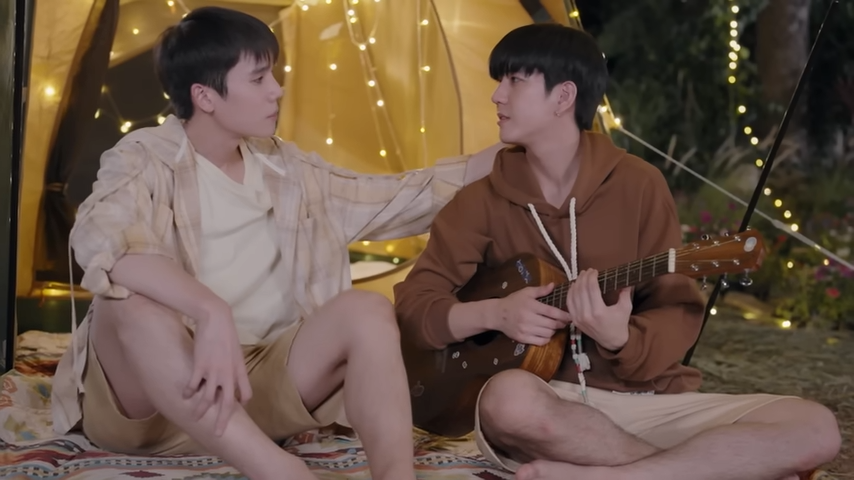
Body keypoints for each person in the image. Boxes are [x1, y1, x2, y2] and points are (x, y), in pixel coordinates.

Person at [50, 7, 502, 480]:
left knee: (367, 309)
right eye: (259, 78)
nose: (277, 90)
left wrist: (524, 140)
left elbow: (404, 195)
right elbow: (103, 240)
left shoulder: (286, 168)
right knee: (126, 304)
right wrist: (210, 311)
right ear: (205, 96)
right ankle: (282, 472)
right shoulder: (144, 158)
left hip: (256, 394)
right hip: (150, 406)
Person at [394, 23, 841, 480]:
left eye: (514, 80)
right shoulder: (480, 200)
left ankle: (615, 475)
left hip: (650, 400)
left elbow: (676, 309)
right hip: (552, 404)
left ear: (563, 96)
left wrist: (620, 339)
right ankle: (695, 468)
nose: (496, 96)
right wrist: (496, 314)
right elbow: (414, 303)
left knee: (816, 427)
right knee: (505, 400)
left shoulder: (639, 184)